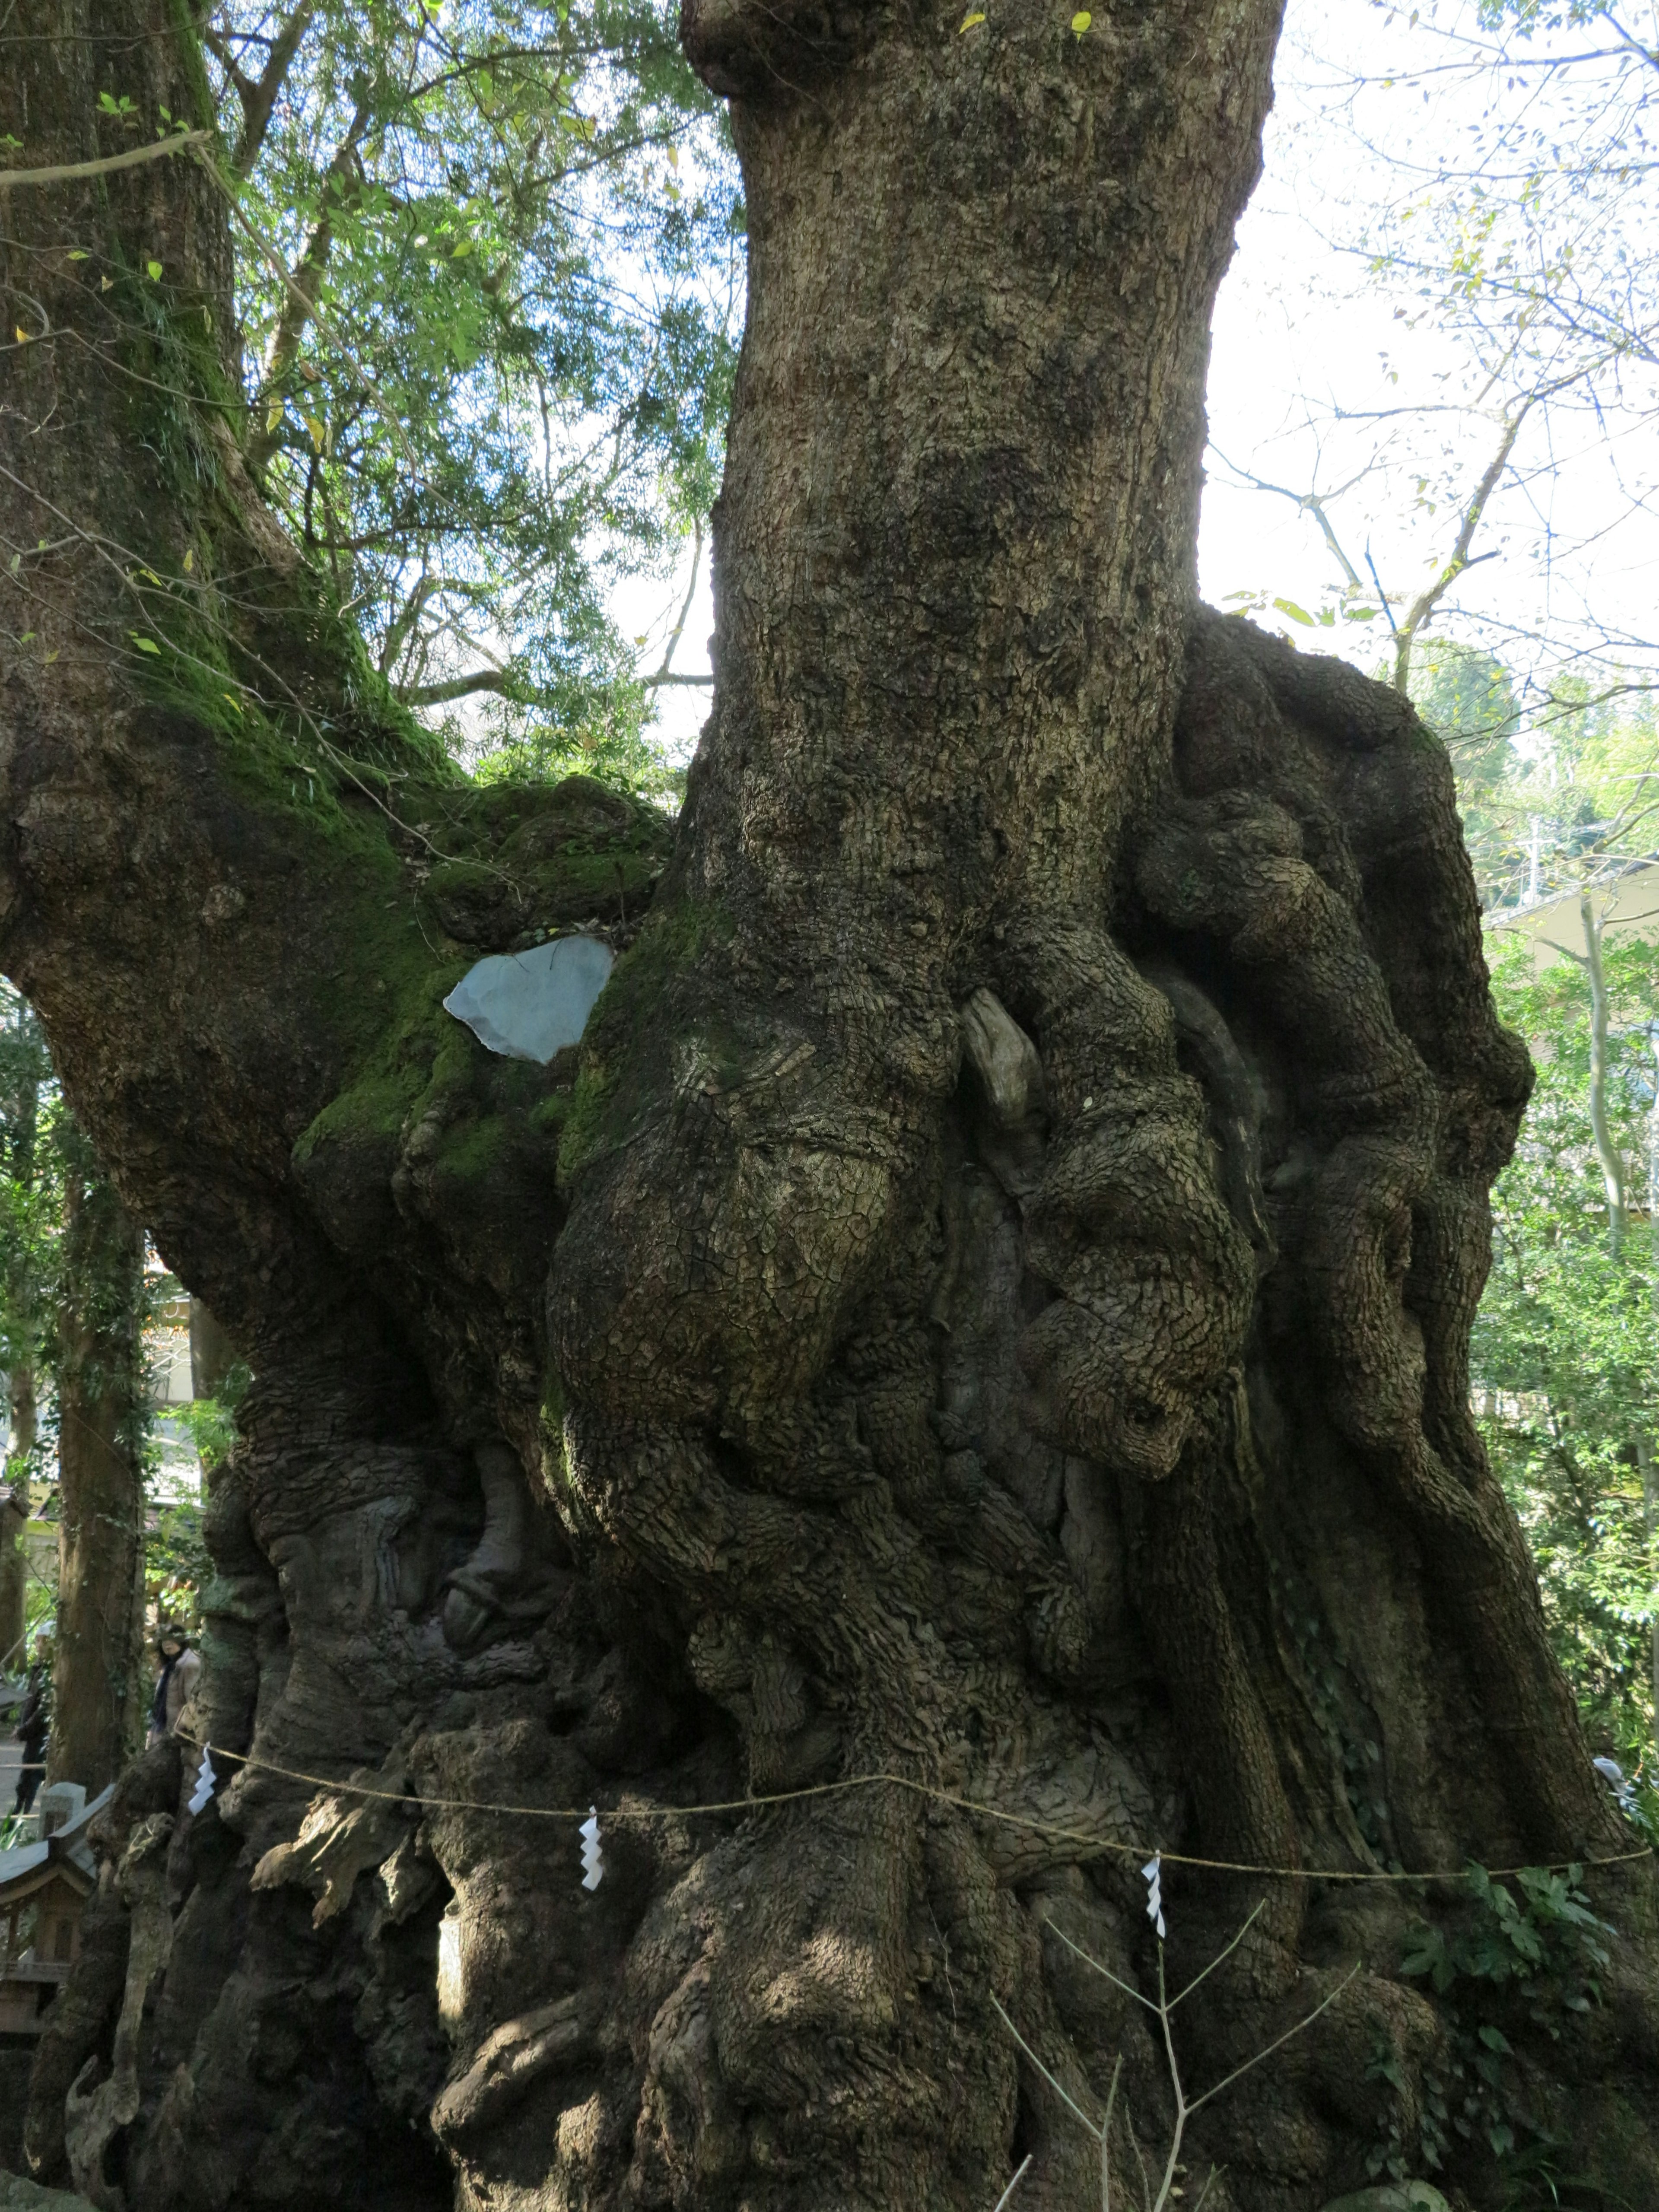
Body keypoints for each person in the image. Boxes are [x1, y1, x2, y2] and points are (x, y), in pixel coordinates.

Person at [11, 1627, 51, 1815]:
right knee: (26, 1771)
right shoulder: (38, 1668)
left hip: (42, 1734)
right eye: (38, 1641)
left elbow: (43, 1710)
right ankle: (19, 1810)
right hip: (32, 1733)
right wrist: (20, 1726)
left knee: (34, 1773)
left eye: (45, 1641)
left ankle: (25, 1815)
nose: (40, 1646)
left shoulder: (51, 1672)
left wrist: (24, 1730)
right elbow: (30, 1700)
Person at [147, 1621, 201, 1749]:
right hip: (163, 1729)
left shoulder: (190, 1665)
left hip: (178, 1735)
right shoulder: (170, 1665)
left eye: (172, 1639)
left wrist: (181, 1731)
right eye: (164, 1640)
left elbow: (192, 1703)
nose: (167, 1644)